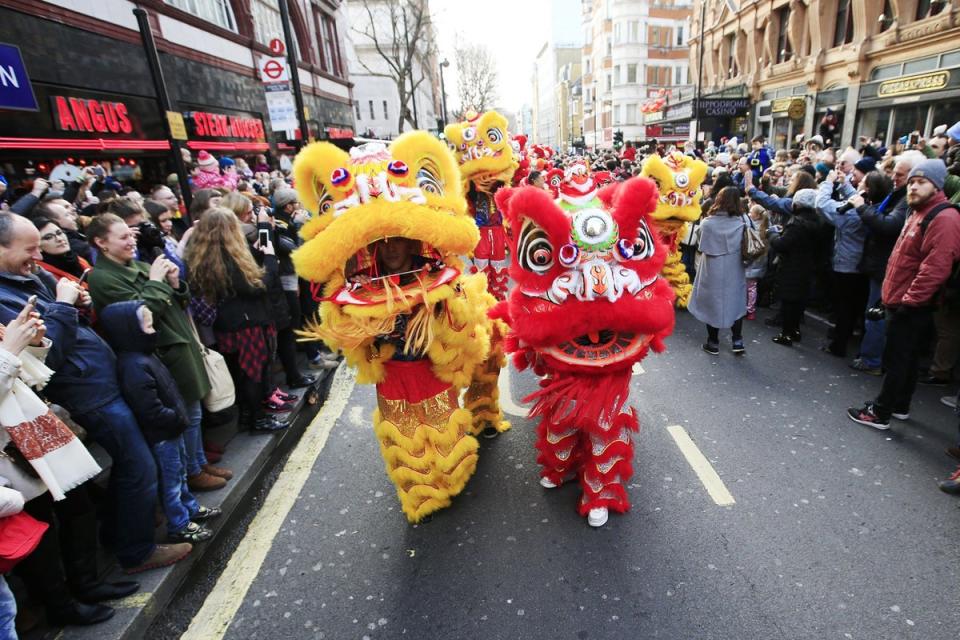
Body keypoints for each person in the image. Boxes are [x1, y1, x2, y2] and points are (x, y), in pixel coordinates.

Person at [0, 212, 192, 575]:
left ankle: (127, 539)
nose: (38, 258)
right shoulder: (5, 297)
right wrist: (63, 306)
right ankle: (135, 551)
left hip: (99, 384)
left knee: (134, 468)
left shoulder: (26, 279)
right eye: (29, 250)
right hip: (88, 395)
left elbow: (63, 332)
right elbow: (48, 356)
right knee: (138, 468)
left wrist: (77, 308)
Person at [85, 214, 230, 492]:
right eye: (123, 237)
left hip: (180, 345)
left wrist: (176, 284)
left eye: (131, 235)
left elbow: (179, 304)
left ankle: (198, 463)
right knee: (183, 418)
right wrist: (155, 281)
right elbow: (139, 316)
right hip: (161, 355)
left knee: (195, 414)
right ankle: (191, 473)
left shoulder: (138, 264)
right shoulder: (103, 279)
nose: (132, 241)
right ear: (101, 243)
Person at [848, 159, 960, 430]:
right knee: (906, 358)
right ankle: (899, 406)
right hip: (902, 300)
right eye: (911, 182)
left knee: (897, 359)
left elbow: (936, 267)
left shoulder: (944, 217)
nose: (913, 187)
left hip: (913, 305)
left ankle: (881, 411)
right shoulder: (918, 212)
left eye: (921, 182)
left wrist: (909, 302)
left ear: (936, 185)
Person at [99, 301, 221, 543]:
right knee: (172, 480)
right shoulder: (133, 365)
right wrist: (175, 418)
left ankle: (190, 508)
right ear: (129, 330)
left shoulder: (145, 355)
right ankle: (179, 523)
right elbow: (150, 409)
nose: (153, 329)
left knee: (181, 474)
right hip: (163, 435)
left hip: (172, 430)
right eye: (147, 325)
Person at [183, 208, 287, 432]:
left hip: (231, 324)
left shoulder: (207, 255)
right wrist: (269, 258)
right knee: (252, 374)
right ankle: (257, 420)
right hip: (245, 326)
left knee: (245, 374)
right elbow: (257, 287)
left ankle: (249, 418)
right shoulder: (226, 258)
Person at [851, 155, 916, 374]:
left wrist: (862, 208)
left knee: (876, 314)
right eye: (894, 173)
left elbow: (889, 225)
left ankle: (872, 360)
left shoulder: (906, 200)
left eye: (900, 174)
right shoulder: (897, 196)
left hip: (886, 265)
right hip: (880, 262)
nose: (894, 178)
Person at [688, 186, 748, 355]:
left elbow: (701, 245)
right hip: (734, 268)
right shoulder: (742, 222)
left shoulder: (708, 223)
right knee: (735, 303)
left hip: (711, 268)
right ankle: (738, 341)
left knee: (712, 303)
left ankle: (713, 342)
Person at [815, 168, 868, 357]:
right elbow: (855, 196)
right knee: (853, 307)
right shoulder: (871, 205)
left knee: (844, 307)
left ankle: (839, 344)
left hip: (847, 264)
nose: (857, 186)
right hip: (860, 263)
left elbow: (822, 205)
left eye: (860, 184)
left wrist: (828, 182)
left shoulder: (853, 214)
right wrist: (844, 183)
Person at [768, 189, 823, 346]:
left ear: (797, 204)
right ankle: (795, 329)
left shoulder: (796, 223)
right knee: (799, 301)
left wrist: (773, 234)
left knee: (789, 301)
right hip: (809, 265)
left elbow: (782, 244)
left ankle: (786, 333)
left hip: (792, 265)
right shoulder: (819, 221)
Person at [744, 204, 769, 320]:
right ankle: (751, 309)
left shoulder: (752, 228)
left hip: (751, 261)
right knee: (752, 287)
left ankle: (748, 309)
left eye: (751, 212)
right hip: (760, 261)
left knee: (747, 287)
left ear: (757, 215)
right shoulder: (767, 227)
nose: (750, 214)